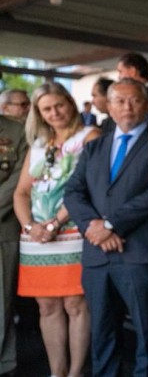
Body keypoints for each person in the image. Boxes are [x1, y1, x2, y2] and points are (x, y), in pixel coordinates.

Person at [63, 79, 148, 377]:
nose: (127, 107)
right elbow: (73, 192)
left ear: (146, 105)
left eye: (134, 100)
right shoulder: (95, 147)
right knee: (102, 334)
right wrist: (94, 227)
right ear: (107, 106)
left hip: (137, 253)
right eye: (119, 101)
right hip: (97, 257)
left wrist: (110, 224)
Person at [14, 82, 98, 377]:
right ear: (38, 113)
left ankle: (76, 373)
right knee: (47, 306)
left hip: (72, 233)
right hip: (37, 238)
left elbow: (90, 187)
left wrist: (55, 223)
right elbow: (22, 192)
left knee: (76, 303)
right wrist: (30, 226)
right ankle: (56, 372)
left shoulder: (90, 136)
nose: (54, 113)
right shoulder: (38, 144)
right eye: (46, 109)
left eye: (59, 105)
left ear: (70, 103)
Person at [0, 115, 26, 375]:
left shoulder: (15, 131)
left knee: (1, 302)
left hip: (3, 226)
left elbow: (19, 179)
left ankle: (4, 364)